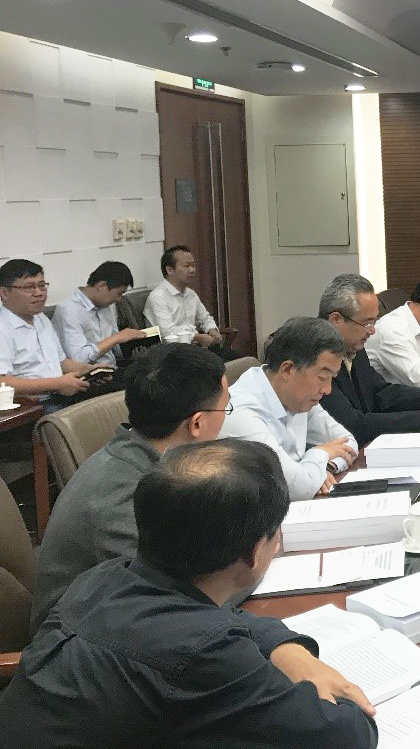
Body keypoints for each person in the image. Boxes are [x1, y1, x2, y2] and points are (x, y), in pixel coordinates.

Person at [0, 438, 377, 748]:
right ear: (254, 552)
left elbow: (225, 618)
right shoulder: (204, 655)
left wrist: (288, 650)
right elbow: (347, 736)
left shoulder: (102, 580)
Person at [29, 343, 228, 632]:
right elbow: (177, 597)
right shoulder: (121, 493)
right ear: (196, 423)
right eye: (225, 408)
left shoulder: (155, 460)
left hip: (126, 620)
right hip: (76, 643)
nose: (225, 419)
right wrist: (250, 564)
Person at [319, 273, 420, 445]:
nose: (372, 331)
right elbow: (353, 424)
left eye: (374, 322)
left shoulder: (353, 344)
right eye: (366, 323)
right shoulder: (316, 358)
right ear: (336, 320)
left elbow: (381, 392)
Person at [219, 317, 358, 500]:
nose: (327, 389)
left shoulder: (298, 397)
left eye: (332, 378)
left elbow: (348, 443)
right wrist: (320, 453)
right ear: (287, 370)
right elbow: (297, 490)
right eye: (322, 378)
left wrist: (324, 469)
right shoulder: (242, 413)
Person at [0, 258, 99, 402]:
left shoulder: (41, 319)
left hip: (60, 395)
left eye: (42, 286)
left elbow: (61, 362)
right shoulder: (3, 328)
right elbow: (2, 383)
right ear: (4, 293)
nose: (39, 293)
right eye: (29, 287)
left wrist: (88, 370)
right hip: (33, 405)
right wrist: (56, 384)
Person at [144, 245, 239, 359]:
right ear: (169, 270)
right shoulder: (158, 297)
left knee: (243, 361)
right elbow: (168, 335)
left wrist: (212, 329)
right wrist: (198, 337)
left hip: (196, 349)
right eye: (186, 266)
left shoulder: (191, 294)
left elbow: (205, 318)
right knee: (222, 365)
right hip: (173, 355)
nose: (192, 270)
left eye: (193, 265)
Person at [52, 260, 149, 368]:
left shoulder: (107, 305)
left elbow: (116, 350)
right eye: (119, 293)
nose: (119, 299)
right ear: (101, 286)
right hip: (88, 373)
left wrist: (132, 351)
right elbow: (78, 359)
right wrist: (116, 338)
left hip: (115, 367)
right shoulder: (69, 310)